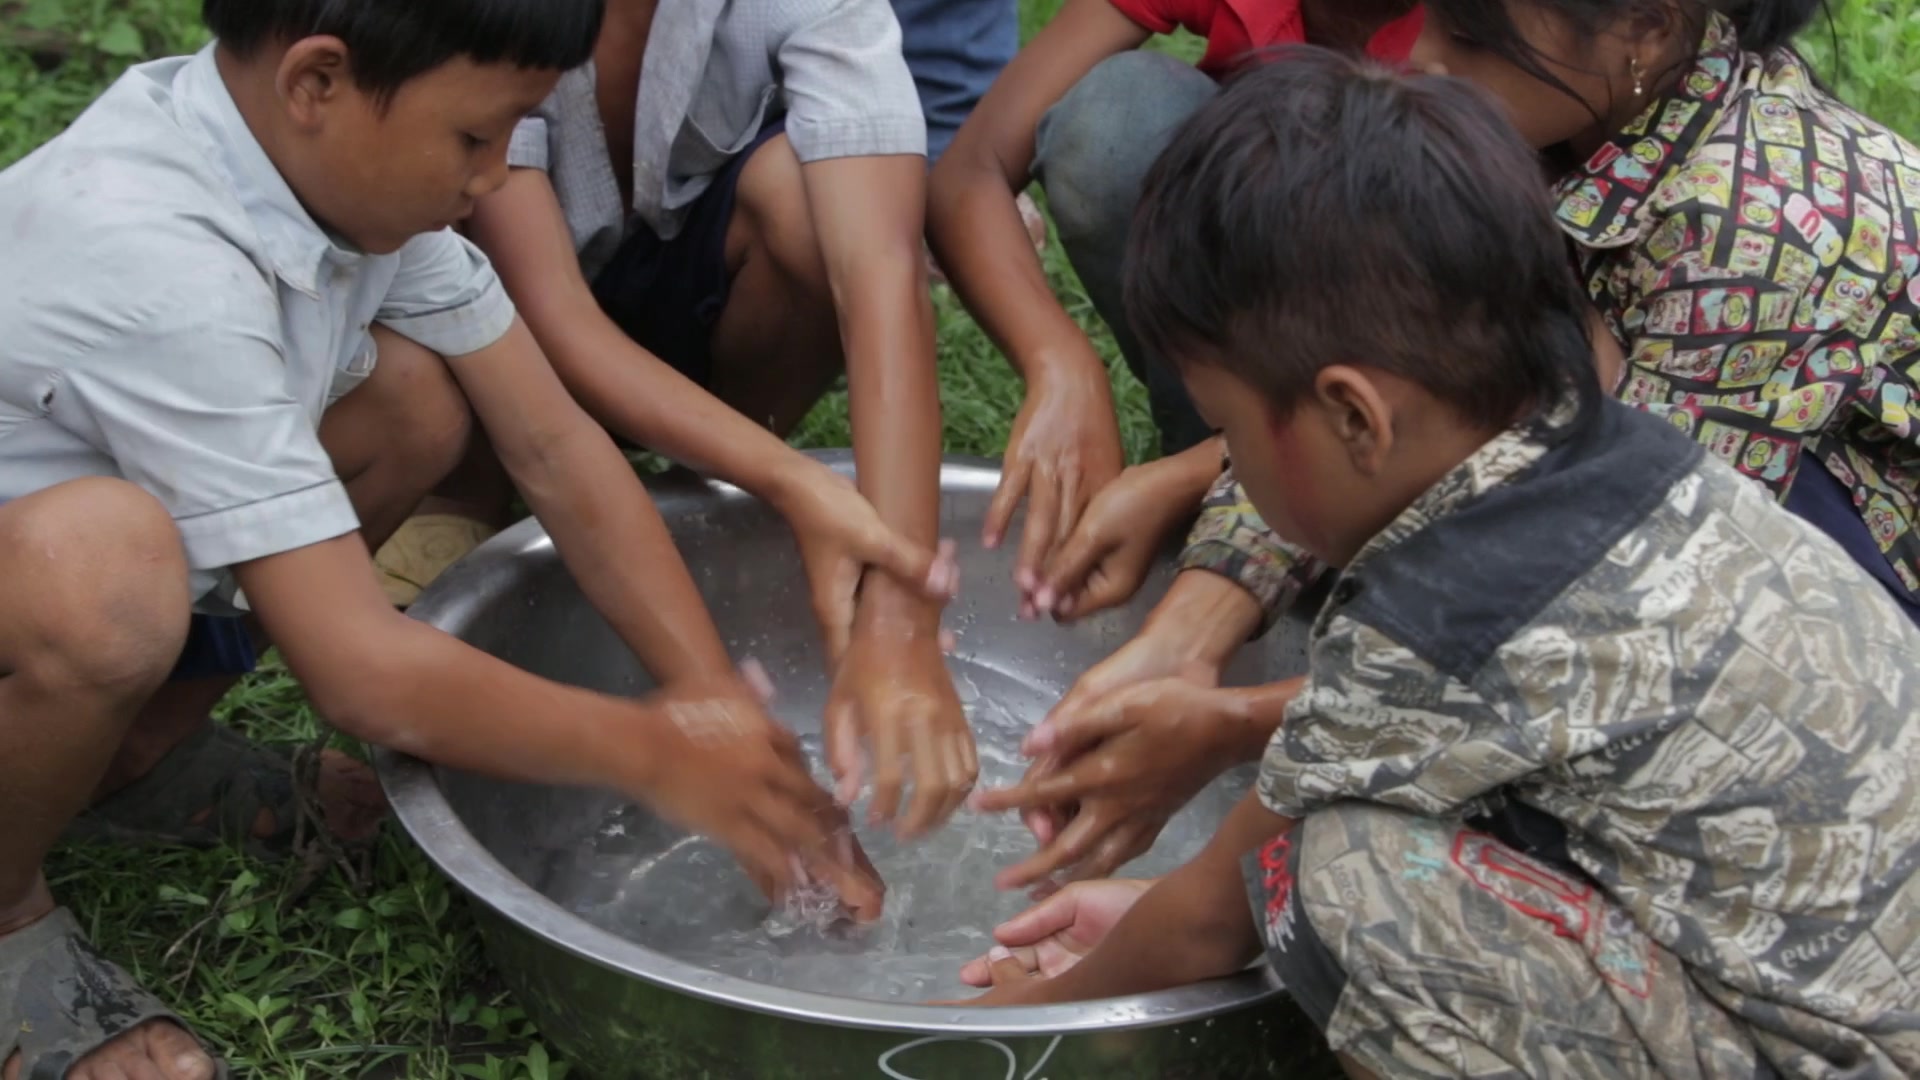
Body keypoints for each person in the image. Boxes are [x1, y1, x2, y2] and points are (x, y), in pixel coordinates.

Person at [960, 50, 1920, 1080]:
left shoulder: (1437, 620)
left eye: (1232, 431)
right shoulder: (1626, 458)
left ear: (1353, 417)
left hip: (1840, 1053)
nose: (1230, 465)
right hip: (1857, 978)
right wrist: (1170, 903)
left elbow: (1217, 919)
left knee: (1343, 880)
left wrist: (1007, 1016)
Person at [0, 2, 887, 1075]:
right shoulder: (156, 258)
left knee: (413, 403)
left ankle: (134, 762)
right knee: (106, 569)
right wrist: (653, 753)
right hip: (56, 573)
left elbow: (555, 447)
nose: (492, 179)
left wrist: (713, 709)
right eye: (475, 138)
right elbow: (361, 674)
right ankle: (8, 924)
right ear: (317, 82)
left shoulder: (328, 189)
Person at [460, 0, 978, 841]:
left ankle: (698, 491)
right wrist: (792, 478)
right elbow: (549, 314)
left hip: (681, 285)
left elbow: (880, 273)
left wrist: (900, 617)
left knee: (817, 209)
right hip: (493, 312)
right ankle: (462, 496)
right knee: (445, 352)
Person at [926, 0, 1422, 624]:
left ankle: (1241, 483)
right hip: (1284, 281)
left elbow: (1499, 363)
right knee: (1118, 119)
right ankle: (1226, 453)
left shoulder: (1503, 43)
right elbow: (970, 171)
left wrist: (1184, 481)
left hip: (1436, 360)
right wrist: (1061, 364)